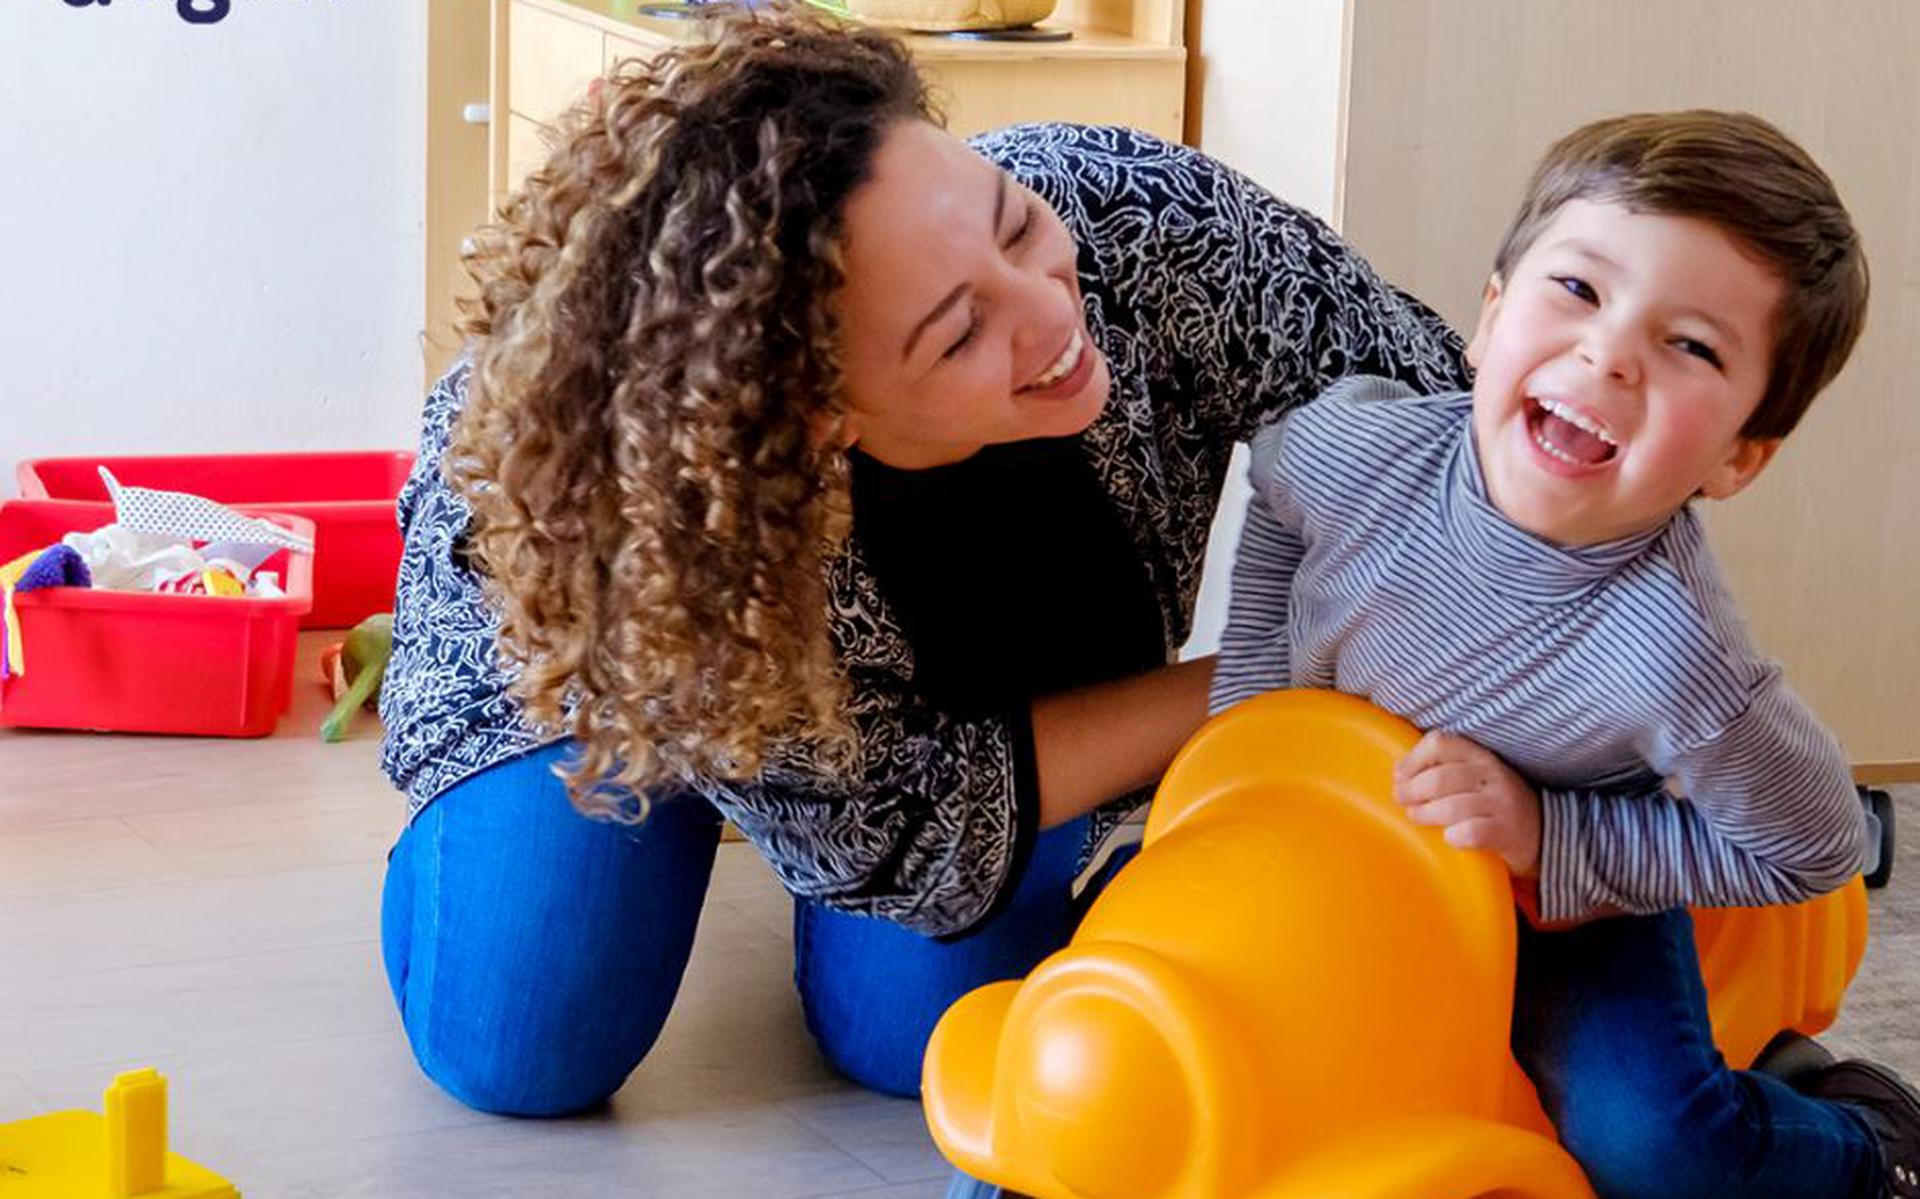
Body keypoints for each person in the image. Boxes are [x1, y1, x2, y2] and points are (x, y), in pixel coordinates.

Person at [375, 3, 1468, 1122]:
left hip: (905, 713)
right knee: (524, 1046)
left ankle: (784, 797)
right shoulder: (702, 527)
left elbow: (1452, 426)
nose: (1051, 312)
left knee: (915, 1040)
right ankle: (675, 789)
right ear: (818, 416)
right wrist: (1264, 672)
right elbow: (904, 840)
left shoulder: (1141, 214)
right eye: (957, 333)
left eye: (1011, 223)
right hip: (599, 618)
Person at [1211, 110, 1918, 1198]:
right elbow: (1277, 503)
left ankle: (1872, 1145)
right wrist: (1252, 712)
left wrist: (1552, 834)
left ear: (1740, 456)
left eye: (1691, 346)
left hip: (1555, 898)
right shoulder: (1351, 449)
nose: (1609, 352)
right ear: (1490, 320)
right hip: (1327, 842)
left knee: (1654, 1144)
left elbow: (1813, 846)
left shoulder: (1678, 656)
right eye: (1579, 290)